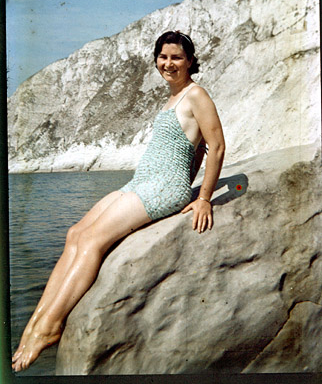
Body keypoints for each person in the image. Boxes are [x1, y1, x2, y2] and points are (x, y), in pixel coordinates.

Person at [12, 30, 225, 372]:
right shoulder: (173, 98)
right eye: (163, 57)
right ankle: (35, 321)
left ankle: (50, 327)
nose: (168, 64)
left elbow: (216, 145)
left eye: (177, 57)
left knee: (94, 241)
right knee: (75, 234)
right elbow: (196, 148)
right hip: (142, 181)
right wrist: (189, 175)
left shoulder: (196, 94)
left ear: (190, 61)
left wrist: (202, 197)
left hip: (162, 186)